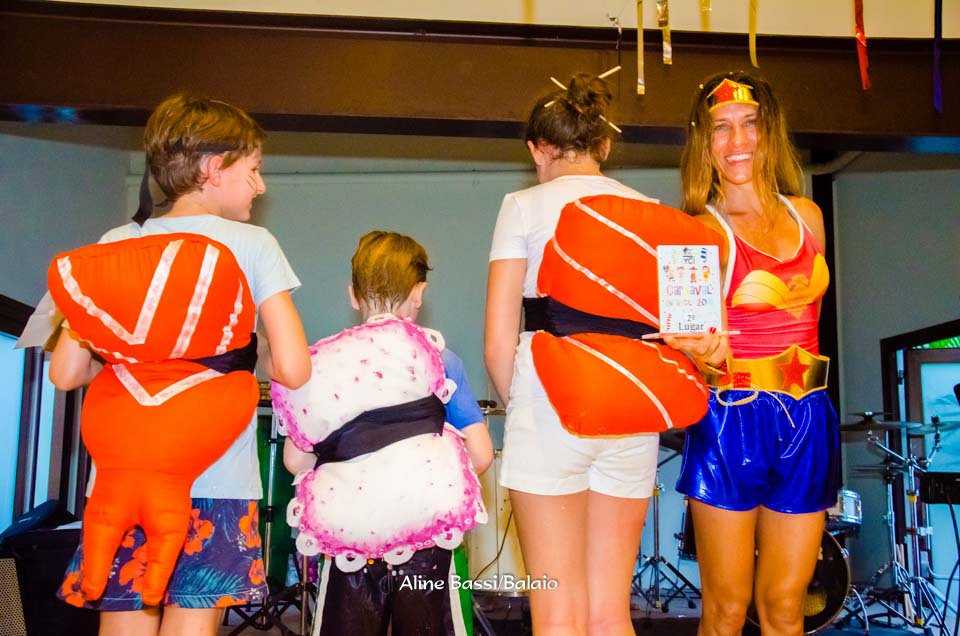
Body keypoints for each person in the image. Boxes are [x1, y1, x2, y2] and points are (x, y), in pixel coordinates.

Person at [51, 93, 311, 636]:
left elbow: (66, 374)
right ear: (215, 169)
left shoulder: (117, 242)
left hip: (123, 481)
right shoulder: (254, 244)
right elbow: (293, 368)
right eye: (253, 170)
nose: (261, 186)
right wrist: (247, 354)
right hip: (217, 481)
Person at [485, 71, 726, 635]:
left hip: (550, 405)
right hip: (632, 412)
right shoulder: (649, 210)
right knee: (610, 612)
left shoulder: (522, 205)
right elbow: (694, 335)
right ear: (606, 146)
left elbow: (498, 341)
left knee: (557, 611)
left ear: (537, 149)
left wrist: (524, 411)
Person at [675, 70, 841, 636]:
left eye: (749, 124)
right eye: (720, 128)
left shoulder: (809, 217)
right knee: (725, 611)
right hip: (732, 420)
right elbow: (693, 351)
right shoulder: (697, 232)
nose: (737, 141)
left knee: (788, 609)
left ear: (770, 133)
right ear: (704, 143)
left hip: (808, 416)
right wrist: (702, 355)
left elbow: (810, 324)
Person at [281, 230, 493, 636]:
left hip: (349, 537)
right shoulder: (440, 359)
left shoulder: (323, 366)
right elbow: (480, 455)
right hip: (426, 541)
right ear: (419, 293)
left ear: (352, 295)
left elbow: (295, 460)